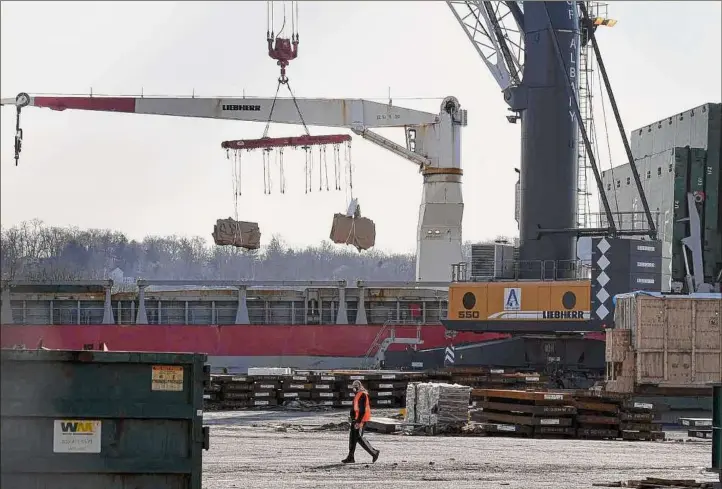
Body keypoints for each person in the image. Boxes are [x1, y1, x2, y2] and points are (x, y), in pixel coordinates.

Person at [342, 380, 380, 464]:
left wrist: (358, 422)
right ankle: (350, 457)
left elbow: (362, 410)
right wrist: (352, 418)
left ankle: (374, 452)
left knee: (358, 437)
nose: (354, 388)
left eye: (356, 386)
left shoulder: (362, 394)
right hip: (355, 420)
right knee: (353, 438)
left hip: (361, 420)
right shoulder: (357, 395)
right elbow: (354, 408)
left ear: (359, 386)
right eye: (353, 386)